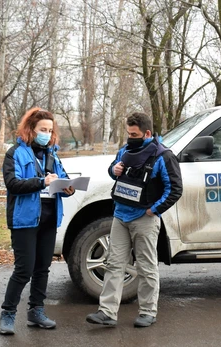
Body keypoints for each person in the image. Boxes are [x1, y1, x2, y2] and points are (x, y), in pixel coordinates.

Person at [86, 112, 183, 328]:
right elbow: (113, 171)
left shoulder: (163, 156)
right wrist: (114, 169)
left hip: (144, 219)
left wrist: (154, 210)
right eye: (128, 133)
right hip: (120, 216)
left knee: (146, 266)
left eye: (134, 134)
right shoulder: (125, 150)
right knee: (113, 264)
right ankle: (107, 313)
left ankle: (148, 311)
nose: (130, 137)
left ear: (147, 133)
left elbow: (175, 189)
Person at [0, 107, 75, 335]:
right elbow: (13, 184)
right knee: (24, 269)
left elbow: (60, 179)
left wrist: (68, 187)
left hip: (49, 219)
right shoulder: (15, 153)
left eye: (50, 130)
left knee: (42, 268)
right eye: (43, 129)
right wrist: (42, 182)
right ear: (31, 128)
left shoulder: (52, 154)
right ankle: (8, 314)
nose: (47, 134)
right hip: (24, 220)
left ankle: (36, 311)